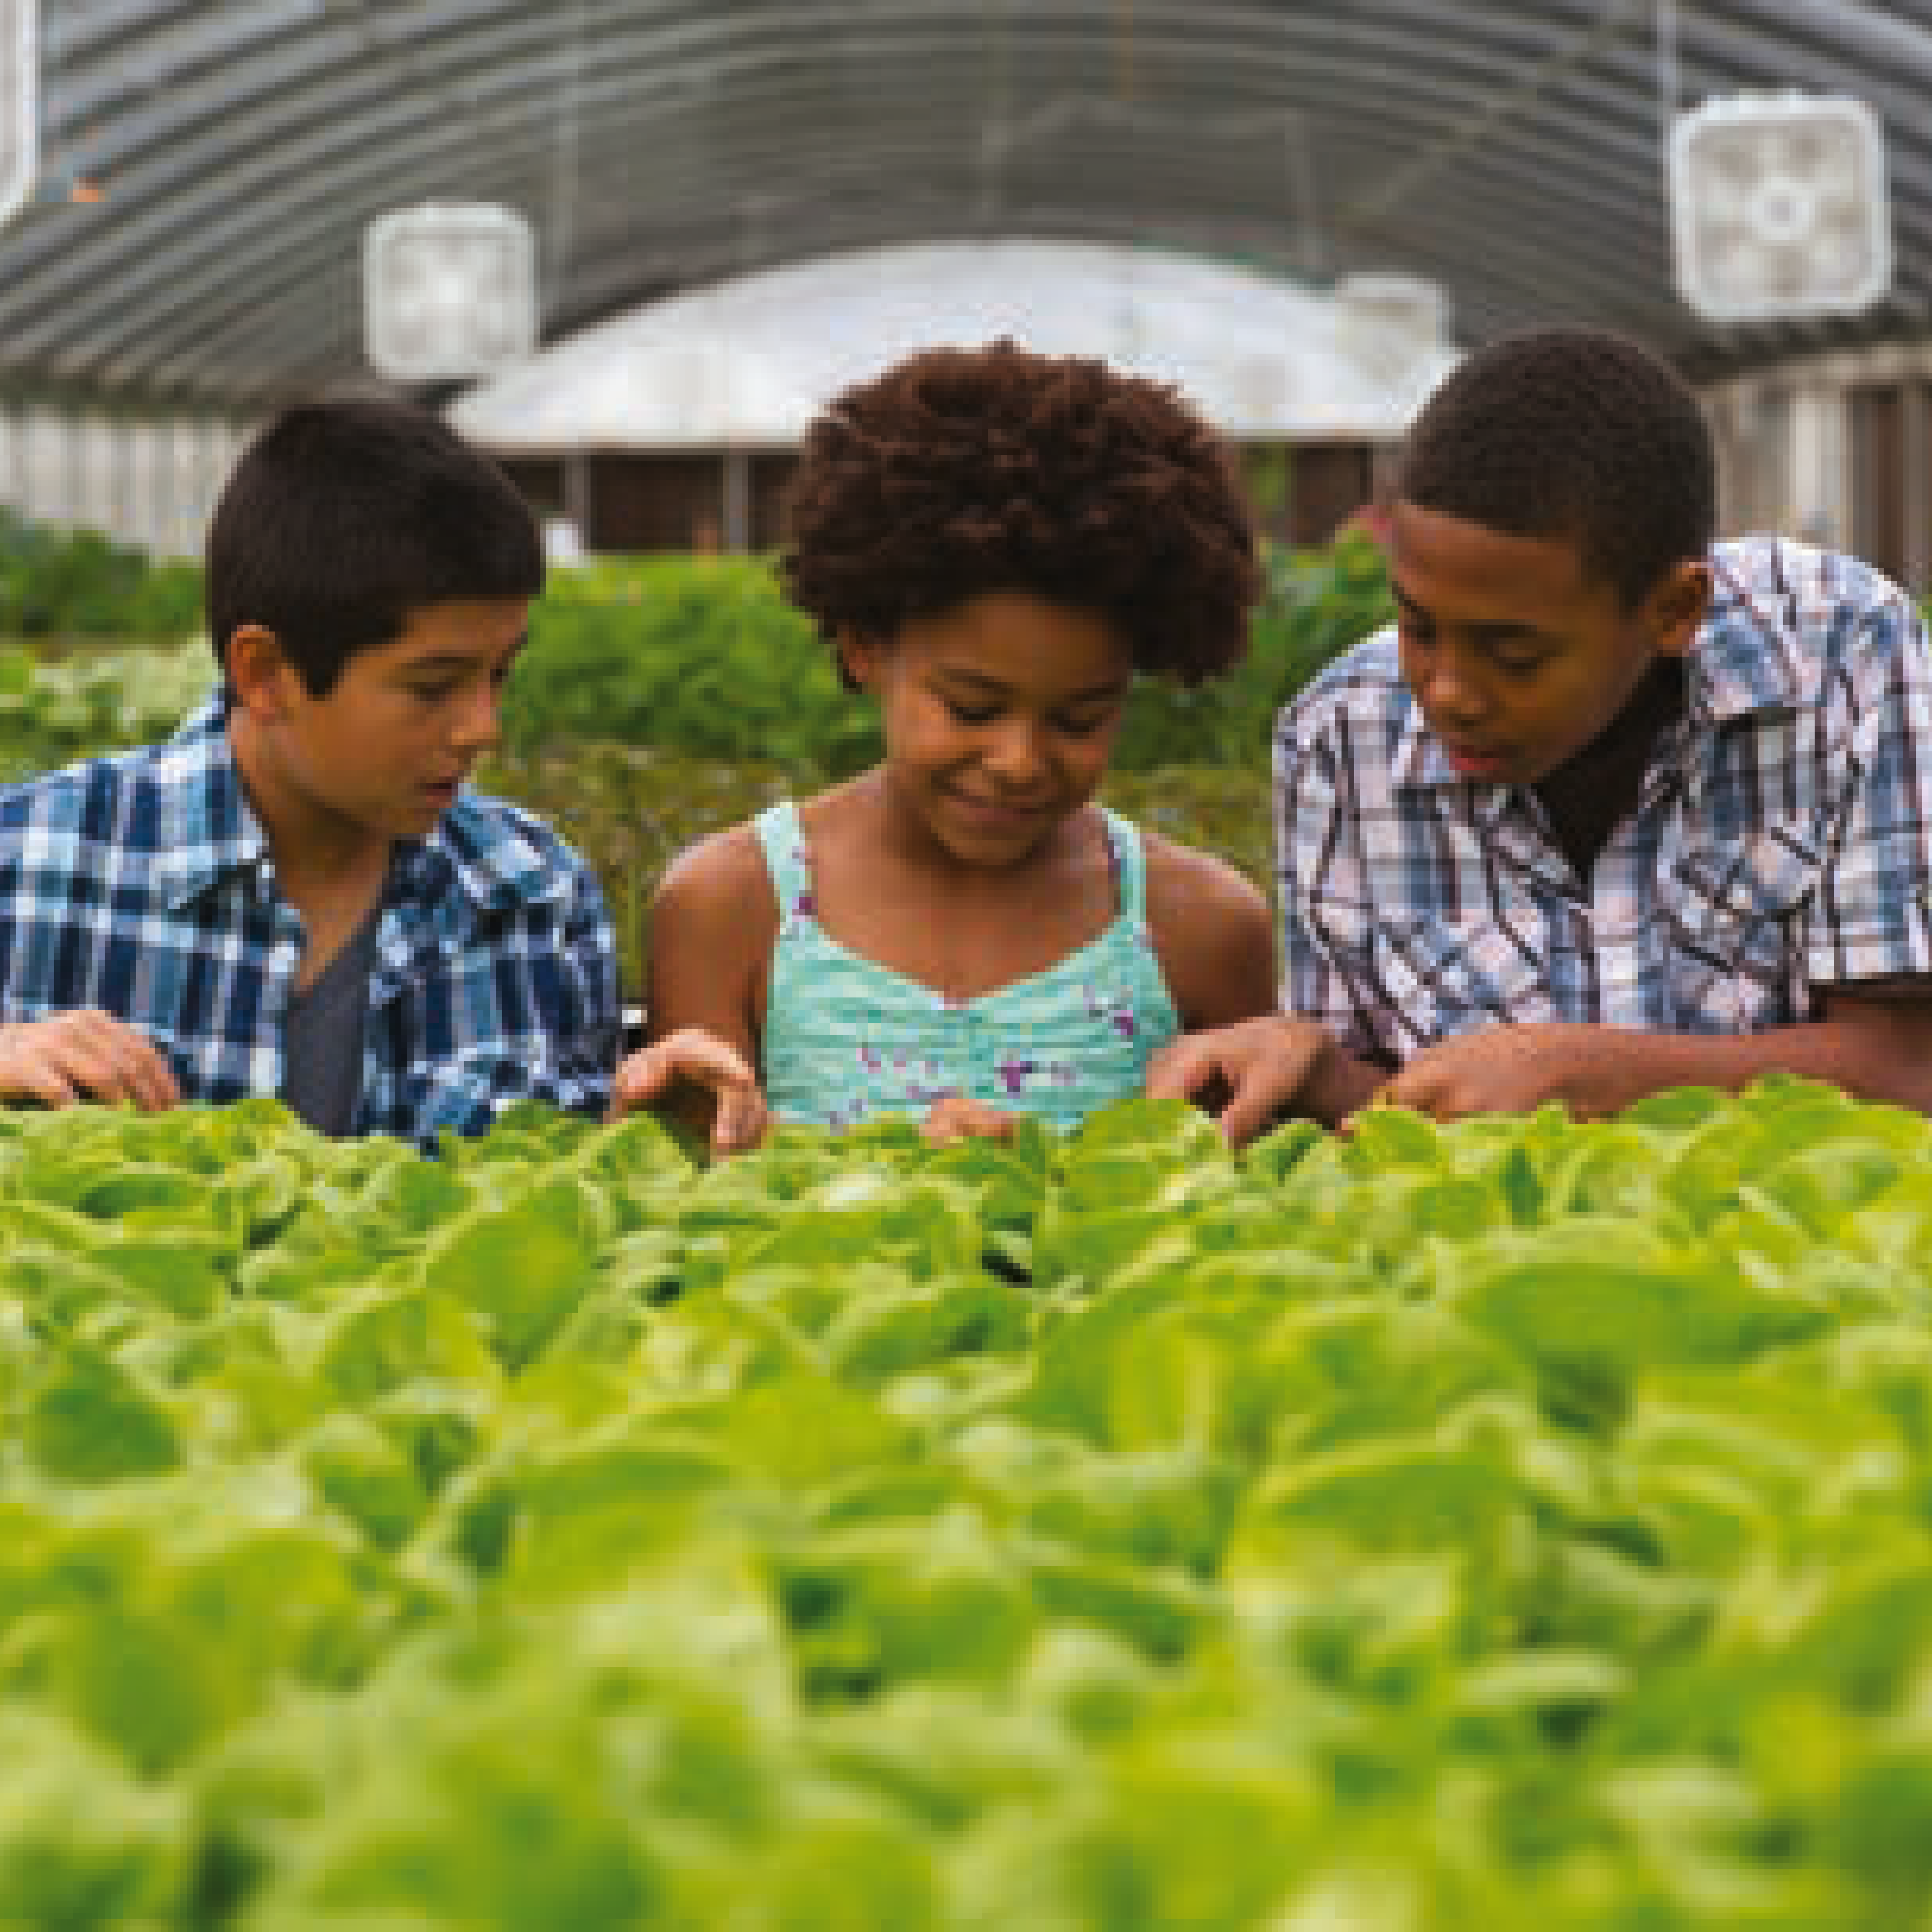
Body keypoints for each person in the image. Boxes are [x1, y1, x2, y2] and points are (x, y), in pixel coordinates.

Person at [1151, 325, 1932, 1144]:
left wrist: (1586, 1072)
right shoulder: (1340, 739)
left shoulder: (1840, 654)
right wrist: (1313, 1070)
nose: (1447, 694)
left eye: (1513, 654)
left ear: (1672, 611)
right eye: (1417, 629)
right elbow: (1386, 1121)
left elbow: (1907, 1070)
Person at [611, 339, 1278, 1146]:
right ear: (865, 645)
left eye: (1079, 719)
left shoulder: (1199, 925)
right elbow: (686, 1195)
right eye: (970, 707)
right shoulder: (733, 903)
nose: (1019, 761)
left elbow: (1240, 1203)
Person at [0, 395, 625, 1150]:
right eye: (432, 686)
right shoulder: (29, 868)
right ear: (264, 673)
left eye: (499, 674)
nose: (482, 729)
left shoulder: (535, 895)